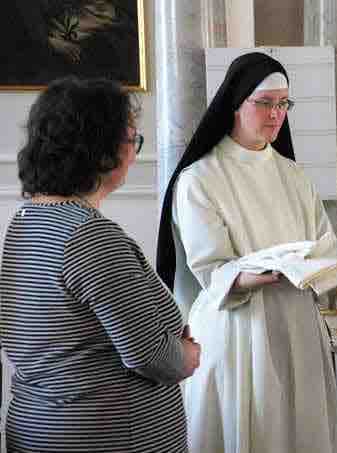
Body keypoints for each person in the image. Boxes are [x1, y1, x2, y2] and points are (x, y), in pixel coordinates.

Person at [155, 52, 337, 453]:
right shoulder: (200, 178)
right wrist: (265, 274)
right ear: (235, 103)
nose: (276, 114)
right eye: (264, 103)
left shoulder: (295, 176)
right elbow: (211, 269)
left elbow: (324, 246)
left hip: (298, 327)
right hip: (240, 331)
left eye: (283, 104)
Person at [0, 76, 200, 453]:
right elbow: (148, 354)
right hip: (106, 434)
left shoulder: (27, 220)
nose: (134, 152)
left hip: (42, 425)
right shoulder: (88, 235)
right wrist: (186, 357)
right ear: (99, 148)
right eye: (131, 139)